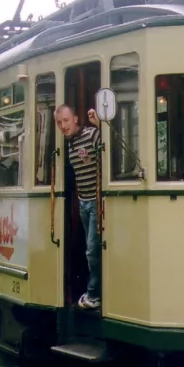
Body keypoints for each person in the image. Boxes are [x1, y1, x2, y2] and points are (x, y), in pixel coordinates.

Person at [54, 103, 102, 310]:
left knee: (92, 250)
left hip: (97, 202)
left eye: (66, 120)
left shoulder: (91, 135)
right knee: (90, 249)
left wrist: (101, 126)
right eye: (59, 123)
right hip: (83, 202)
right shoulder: (69, 144)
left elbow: (109, 152)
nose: (63, 126)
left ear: (75, 119)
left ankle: (94, 294)